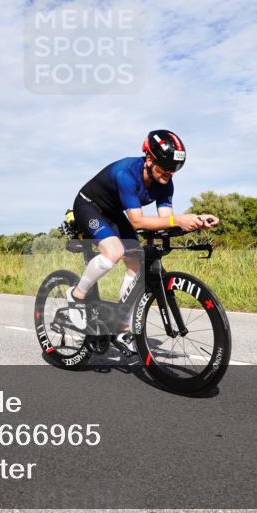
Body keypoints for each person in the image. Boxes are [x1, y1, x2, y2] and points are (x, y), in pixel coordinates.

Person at [67, 130, 218, 355]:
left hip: (115, 212)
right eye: (165, 167)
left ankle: (122, 327)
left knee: (136, 264)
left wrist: (196, 220)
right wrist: (178, 219)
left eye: (175, 169)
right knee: (114, 252)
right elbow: (137, 220)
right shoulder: (126, 173)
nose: (170, 173)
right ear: (149, 159)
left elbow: (165, 220)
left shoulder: (166, 183)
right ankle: (76, 295)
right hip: (89, 206)